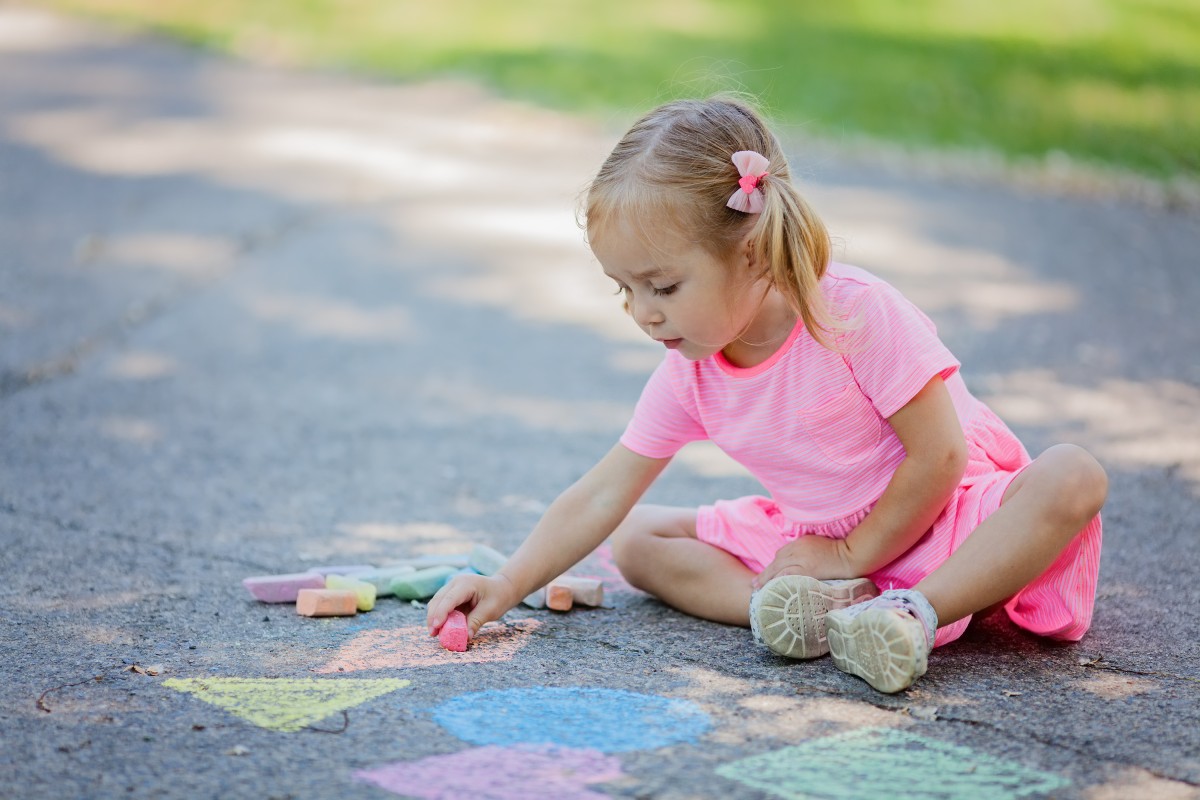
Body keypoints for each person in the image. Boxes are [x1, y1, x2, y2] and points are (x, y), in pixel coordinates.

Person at [426, 96, 1107, 693]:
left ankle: (912, 615)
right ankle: (801, 613)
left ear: (749, 252)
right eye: (623, 289)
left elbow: (941, 458)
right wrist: (510, 584)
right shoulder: (691, 370)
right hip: (817, 541)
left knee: (1072, 475)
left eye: (662, 286)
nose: (641, 312)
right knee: (634, 538)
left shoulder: (851, 314)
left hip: (945, 526)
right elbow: (603, 493)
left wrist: (849, 557)